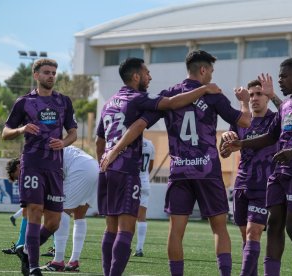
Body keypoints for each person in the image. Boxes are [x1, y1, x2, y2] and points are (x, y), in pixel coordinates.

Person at [101, 50, 251, 276]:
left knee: (175, 231)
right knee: (219, 227)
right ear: (202, 70)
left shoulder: (169, 94)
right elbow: (245, 121)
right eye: (210, 70)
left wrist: (112, 150)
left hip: (179, 171)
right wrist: (245, 102)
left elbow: (140, 125)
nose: (211, 74)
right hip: (207, 171)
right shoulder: (213, 94)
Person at [221, 57, 292, 276]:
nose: (279, 81)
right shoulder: (287, 106)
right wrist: (240, 144)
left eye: (283, 76)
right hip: (279, 174)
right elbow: (271, 136)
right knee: (274, 227)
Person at [2, 58, 77, 276]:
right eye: (46, 72)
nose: (51, 76)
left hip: (55, 167)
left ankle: (26, 249)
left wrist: (63, 142)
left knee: (54, 222)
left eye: (54, 72)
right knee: (34, 211)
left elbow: (73, 132)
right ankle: (34, 267)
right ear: (36, 75)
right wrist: (22, 128)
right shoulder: (23, 102)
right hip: (32, 163)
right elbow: (5, 133)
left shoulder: (64, 101)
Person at [220, 76, 281, 276]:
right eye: (251, 94)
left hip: (264, 186)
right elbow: (225, 152)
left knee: (253, 232)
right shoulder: (242, 120)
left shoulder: (275, 119)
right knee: (246, 240)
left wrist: (274, 96)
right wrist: (225, 141)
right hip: (241, 185)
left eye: (259, 94)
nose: (254, 98)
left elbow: (291, 115)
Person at [40, 145, 98, 272]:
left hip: (80, 170)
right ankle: (73, 261)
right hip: (94, 167)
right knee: (80, 215)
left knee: (61, 211)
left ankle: (58, 261)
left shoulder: (42, 156)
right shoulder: (58, 148)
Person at [133, 137, 155, 257]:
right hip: (145, 182)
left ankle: (125, 245)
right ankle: (139, 248)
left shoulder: (131, 140)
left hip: (132, 182)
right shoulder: (150, 143)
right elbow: (150, 167)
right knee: (142, 216)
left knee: (128, 216)